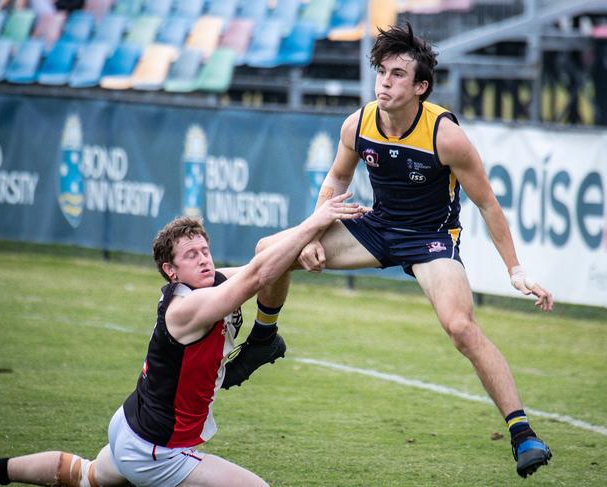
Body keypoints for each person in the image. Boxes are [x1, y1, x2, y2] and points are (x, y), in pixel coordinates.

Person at [224, 23, 554, 479]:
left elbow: (487, 204)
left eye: (398, 74)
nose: (385, 81)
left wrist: (515, 270)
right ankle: (263, 339)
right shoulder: (358, 123)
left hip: (431, 239)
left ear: (421, 86)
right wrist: (316, 230)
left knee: (460, 328)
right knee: (270, 249)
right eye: (382, 71)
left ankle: (523, 435)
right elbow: (338, 179)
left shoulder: (445, 135)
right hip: (378, 227)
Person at [0, 193, 364, 487]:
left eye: (205, 250)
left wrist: (318, 245)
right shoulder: (184, 309)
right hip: (158, 451)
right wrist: (315, 220)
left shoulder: (211, 282)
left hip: (130, 427)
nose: (204, 259)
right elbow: (259, 275)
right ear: (171, 270)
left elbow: (268, 263)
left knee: (82, 476)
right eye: (192, 256)